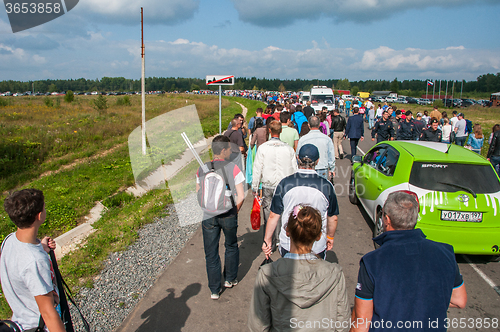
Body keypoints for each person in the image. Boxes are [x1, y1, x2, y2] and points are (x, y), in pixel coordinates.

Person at [349, 192, 467, 332]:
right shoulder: (445, 252)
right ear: (415, 217)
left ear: (387, 219)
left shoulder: (372, 262)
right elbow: (460, 301)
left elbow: (361, 323)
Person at [248, 206, 349, 332]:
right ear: (318, 236)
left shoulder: (267, 274)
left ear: (287, 231)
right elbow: (343, 324)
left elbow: (258, 326)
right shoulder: (335, 274)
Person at [1, 189, 66, 332]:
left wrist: (41, 248)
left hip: (21, 320)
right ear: (39, 215)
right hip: (39, 326)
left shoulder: (9, 241)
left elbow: (20, 263)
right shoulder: (35, 261)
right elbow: (48, 313)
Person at [262, 144, 339, 260]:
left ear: (298, 158)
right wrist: (330, 236)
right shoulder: (327, 186)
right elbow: (333, 217)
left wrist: (267, 239)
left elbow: (274, 215)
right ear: (317, 161)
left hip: (289, 244)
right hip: (316, 245)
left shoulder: (284, 184)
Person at [196, 135, 245, 300]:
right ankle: (230, 279)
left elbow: (198, 191)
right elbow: (241, 195)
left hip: (208, 215)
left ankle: (214, 290)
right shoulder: (233, 168)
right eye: (229, 148)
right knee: (231, 245)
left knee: (211, 252)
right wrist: (235, 211)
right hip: (228, 214)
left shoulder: (202, 168)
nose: (231, 151)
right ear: (223, 150)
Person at [252, 121, 298, 252]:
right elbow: (294, 168)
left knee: (268, 215)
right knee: (284, 214)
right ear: (281, 131)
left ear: (270, 131)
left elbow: (257, 169)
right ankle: (282, 241)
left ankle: (268, 242)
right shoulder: (288, 148)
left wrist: (255, 187)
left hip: (268, 185)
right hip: (285, 186)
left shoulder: (263, 148)